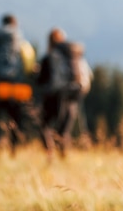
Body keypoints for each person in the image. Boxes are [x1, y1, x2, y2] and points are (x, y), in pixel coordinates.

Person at [0, 14, 36, 154]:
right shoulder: (21, 42)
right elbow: (29, 65)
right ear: (16, 25)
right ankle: (14, 147)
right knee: (16, 118)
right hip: (15, 87)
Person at [36, 28, 92, 160]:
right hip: (75, 94)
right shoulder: (75, 54)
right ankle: (64, 156)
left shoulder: (50, 57)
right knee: (64, 129)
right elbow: (88, 74)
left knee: (44, 124)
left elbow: (41, 80)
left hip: (56, 95)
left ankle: (49, 153)